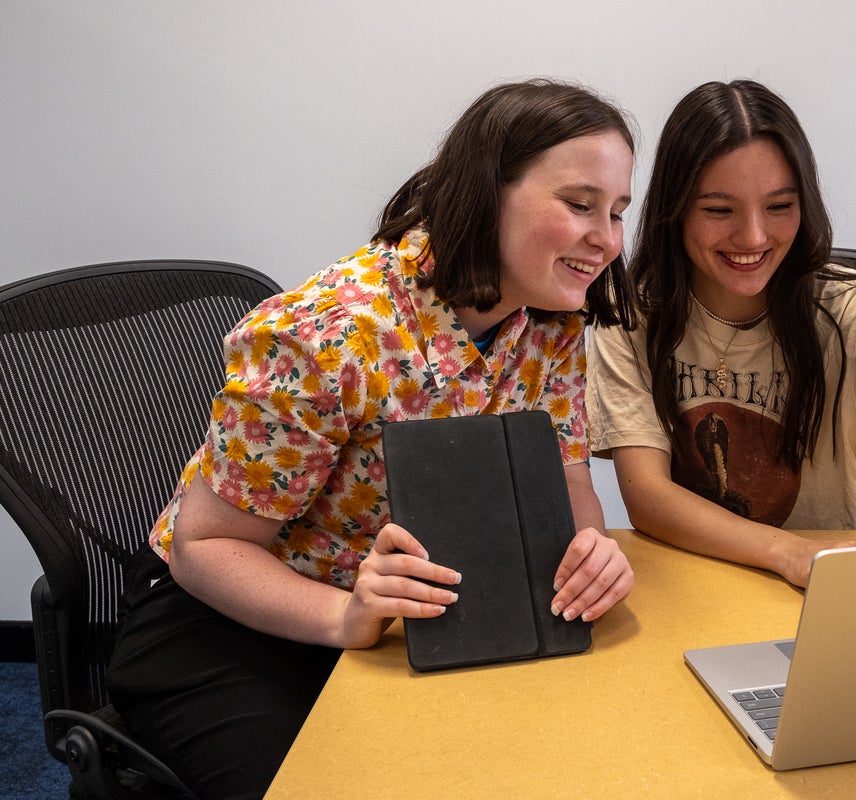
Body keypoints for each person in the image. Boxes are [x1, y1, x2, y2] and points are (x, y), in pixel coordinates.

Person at [106, 79, 638, 799]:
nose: (605, 239)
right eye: (579, 205)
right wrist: (346, 616)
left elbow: (567, 472)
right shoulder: (328, 336)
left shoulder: (550, 316)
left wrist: (586, 551)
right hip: (238, 621)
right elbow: (206, 548)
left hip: (424, 610)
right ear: (485, 193)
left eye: (616, 212)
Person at [586, 79, 856, 590]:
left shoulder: (854, 308)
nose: (754, 236)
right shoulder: (630, 312)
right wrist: (788, 552)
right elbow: (647, 494)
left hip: (836, 582)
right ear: (675, 212)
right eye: (720, 210)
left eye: (780, 206)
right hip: (699, 577)